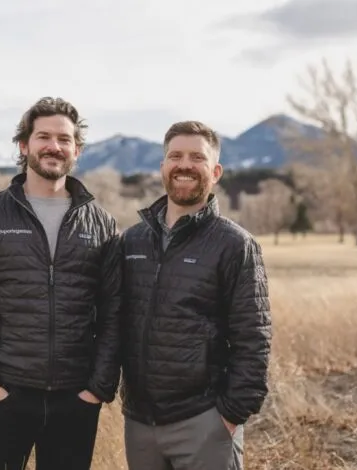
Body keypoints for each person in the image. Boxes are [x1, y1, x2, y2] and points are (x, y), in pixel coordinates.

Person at [0, 97, 122, 470]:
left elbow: (114, 313)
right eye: (43, 136)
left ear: (77, 150)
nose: (53, 146)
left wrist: (97, 389)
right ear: (24, 145)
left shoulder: (101, 224)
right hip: (5, 394)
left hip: (75, 400)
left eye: (64, 139)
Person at [118, 120, 272, 469]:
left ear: (215, 171)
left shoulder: (235, 244)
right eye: (175, 156)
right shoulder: (132, 241)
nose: (184, 165)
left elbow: (254, 337)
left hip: (203, 422)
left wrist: (231, 415)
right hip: (140, 424)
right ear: (163, 167)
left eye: (196, 158)